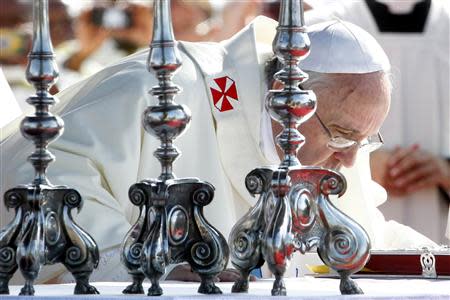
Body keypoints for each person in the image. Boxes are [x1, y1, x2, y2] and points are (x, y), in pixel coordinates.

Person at [0, 15, 436, 284]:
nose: (351, 161)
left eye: (365, 140)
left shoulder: (336, 140)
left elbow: (366, 237)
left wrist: (433, 258)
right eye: (342, 136)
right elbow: (37, 180)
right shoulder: (160, 92)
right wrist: (148, 267)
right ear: (287, 96)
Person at [303, 0, 450, 244]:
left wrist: (444, 171)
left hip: (436, 216)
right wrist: (362, 158)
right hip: (347, 219)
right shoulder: (323, 27)